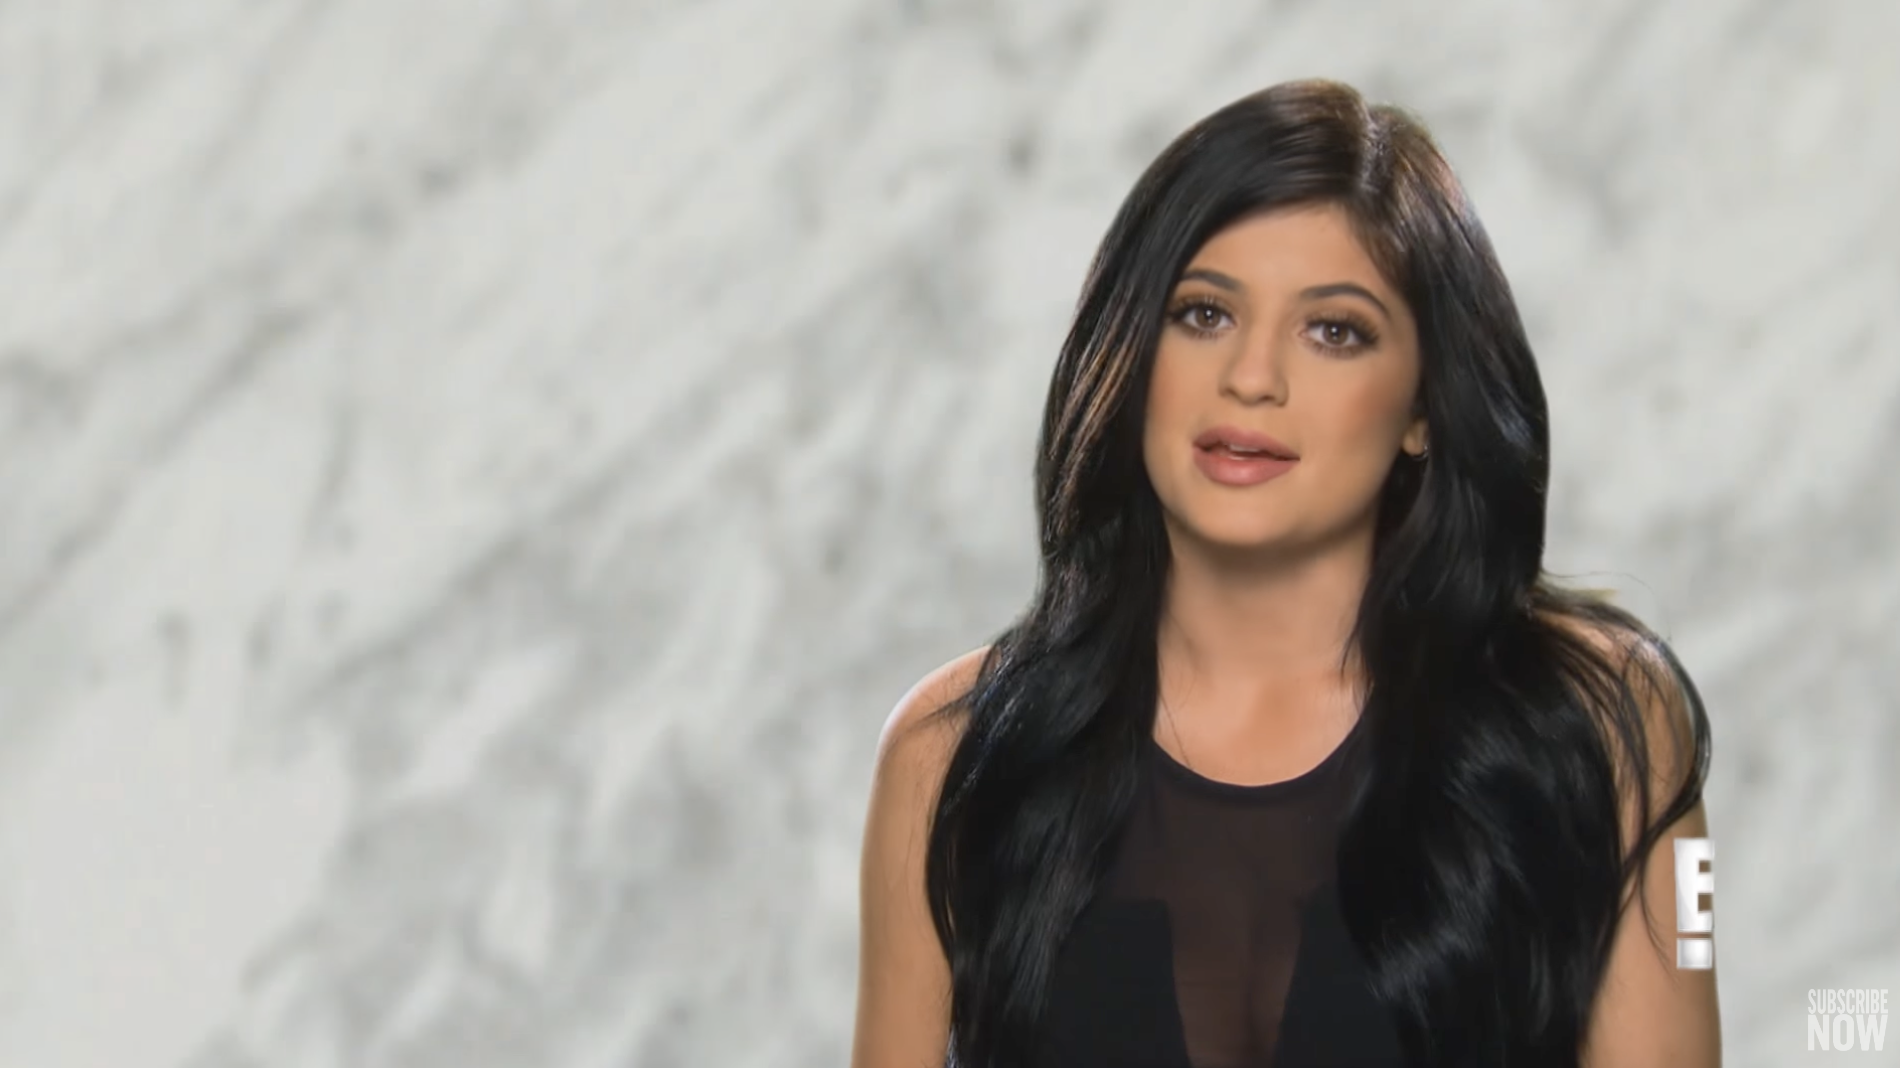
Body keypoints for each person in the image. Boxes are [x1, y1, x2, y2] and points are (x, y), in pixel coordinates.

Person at [852, 78, 1719, 1068]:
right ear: (1130, 355)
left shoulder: (1611, 723)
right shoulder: (948, 750)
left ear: (1424, 409)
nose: (1252, 377)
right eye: (1203, 313)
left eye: (1334, 331)